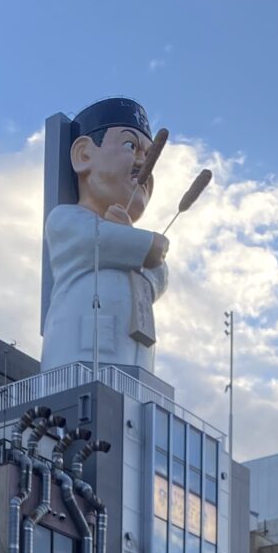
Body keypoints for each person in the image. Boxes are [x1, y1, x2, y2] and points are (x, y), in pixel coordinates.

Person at [40, 97, 170, 374]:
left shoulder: (126, 237)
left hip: (136, 369)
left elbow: (159, 273)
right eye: (130, 146)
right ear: (84, 155)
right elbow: (102, 241)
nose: (142, 163)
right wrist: (143, 245)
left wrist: (135, 242)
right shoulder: (66, 219)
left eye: (149, 157)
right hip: (77, 360)